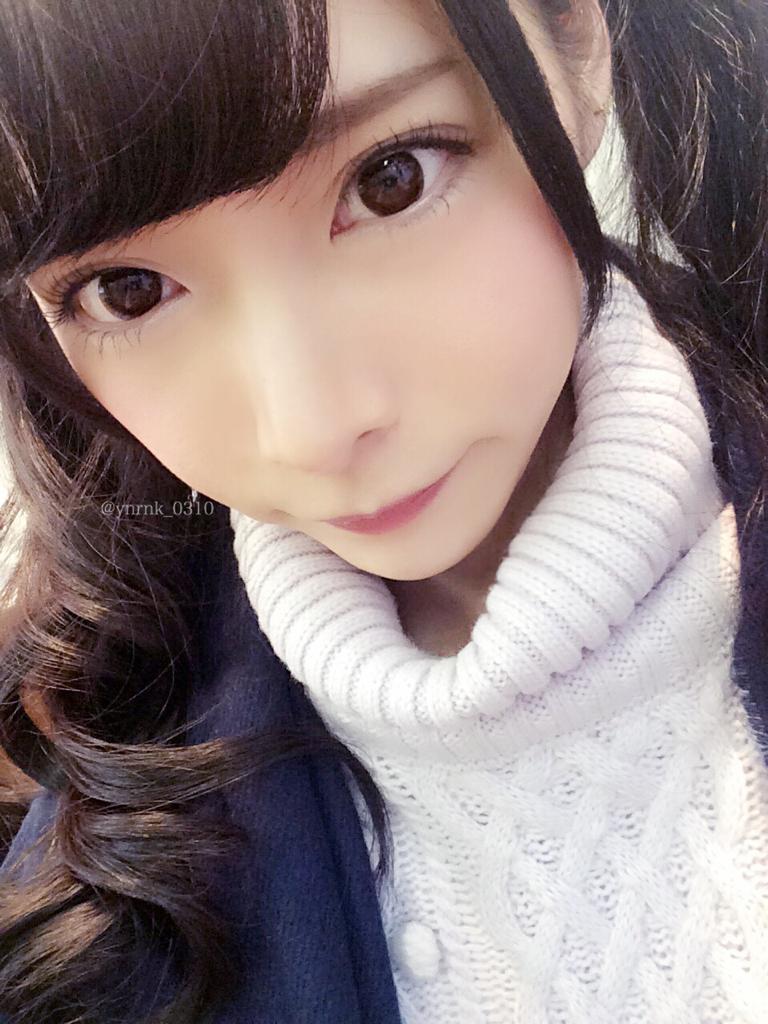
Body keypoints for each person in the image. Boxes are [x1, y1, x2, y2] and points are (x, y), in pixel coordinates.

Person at [0, 0, 766, 1021]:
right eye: (127, 291)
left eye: (390, 179)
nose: (311, 430)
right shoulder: (90, 837)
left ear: (577, 52)